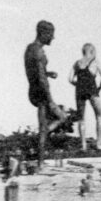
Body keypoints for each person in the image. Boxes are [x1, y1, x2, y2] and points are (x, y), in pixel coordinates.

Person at [25, 20, 67, 170]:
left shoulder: (30, 48)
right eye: (51, 34)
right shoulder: (38, 51)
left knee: (45, 126)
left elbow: (36, 71)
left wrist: (48, 73)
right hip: (42, 92)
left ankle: (40, 157)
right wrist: (50, 100)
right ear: (44, 33)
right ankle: (40, 162)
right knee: (61, 118)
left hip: (33, 90)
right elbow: (41, 78)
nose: (53, 38)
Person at [69, 43, 101, 150]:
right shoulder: (95, 62)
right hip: (92, 89)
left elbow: (70, 79)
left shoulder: (77, 63)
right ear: (92, 51)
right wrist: (99, 88)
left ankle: (83, 145)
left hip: (80, 90)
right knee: (99, 116)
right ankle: (98, 144)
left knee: (81, 118)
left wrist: (78, 85)